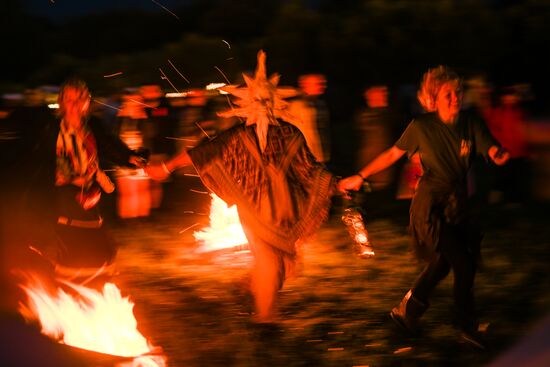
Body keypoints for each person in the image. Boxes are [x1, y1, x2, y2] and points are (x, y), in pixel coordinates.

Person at [147, 51, 335, 323]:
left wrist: (334, 183)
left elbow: (310, 168)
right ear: (246, 103)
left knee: (286, 265)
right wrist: (165, 167)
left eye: (266, 99)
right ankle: (266, 321)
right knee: (269, 260)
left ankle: (253, 292)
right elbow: (202, 153)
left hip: (286, 210)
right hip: (254, 208)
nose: (261, 104)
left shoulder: (290, 134)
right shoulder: (237, 137)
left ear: (275, 101)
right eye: (256, 99)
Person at [338, 66, 510, 349]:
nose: (454, 98)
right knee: (463, 265)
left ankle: (406, 313)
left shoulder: (470, 122)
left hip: (457, 204)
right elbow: (393, 153)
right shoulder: (422, 127)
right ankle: (465, 326)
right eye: (447, 95)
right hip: (430, 206)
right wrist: (360, 176)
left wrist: (499, 154)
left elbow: (491, 148)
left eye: (457, 92)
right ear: (433, 99)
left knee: (443, 264)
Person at [23, 78, 145, 283]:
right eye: (69, 99)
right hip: (61, 191)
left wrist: (129, 157)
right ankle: (67, 281)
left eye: (79, 99)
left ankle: (98, 279)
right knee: (69, 233)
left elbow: (109, 144)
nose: (74, 104)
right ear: (62, 102)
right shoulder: (52, 128)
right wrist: (57, 177)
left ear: (86, 102)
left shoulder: (93, 125)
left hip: (90, 189)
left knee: (95, 233)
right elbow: (39, 159)